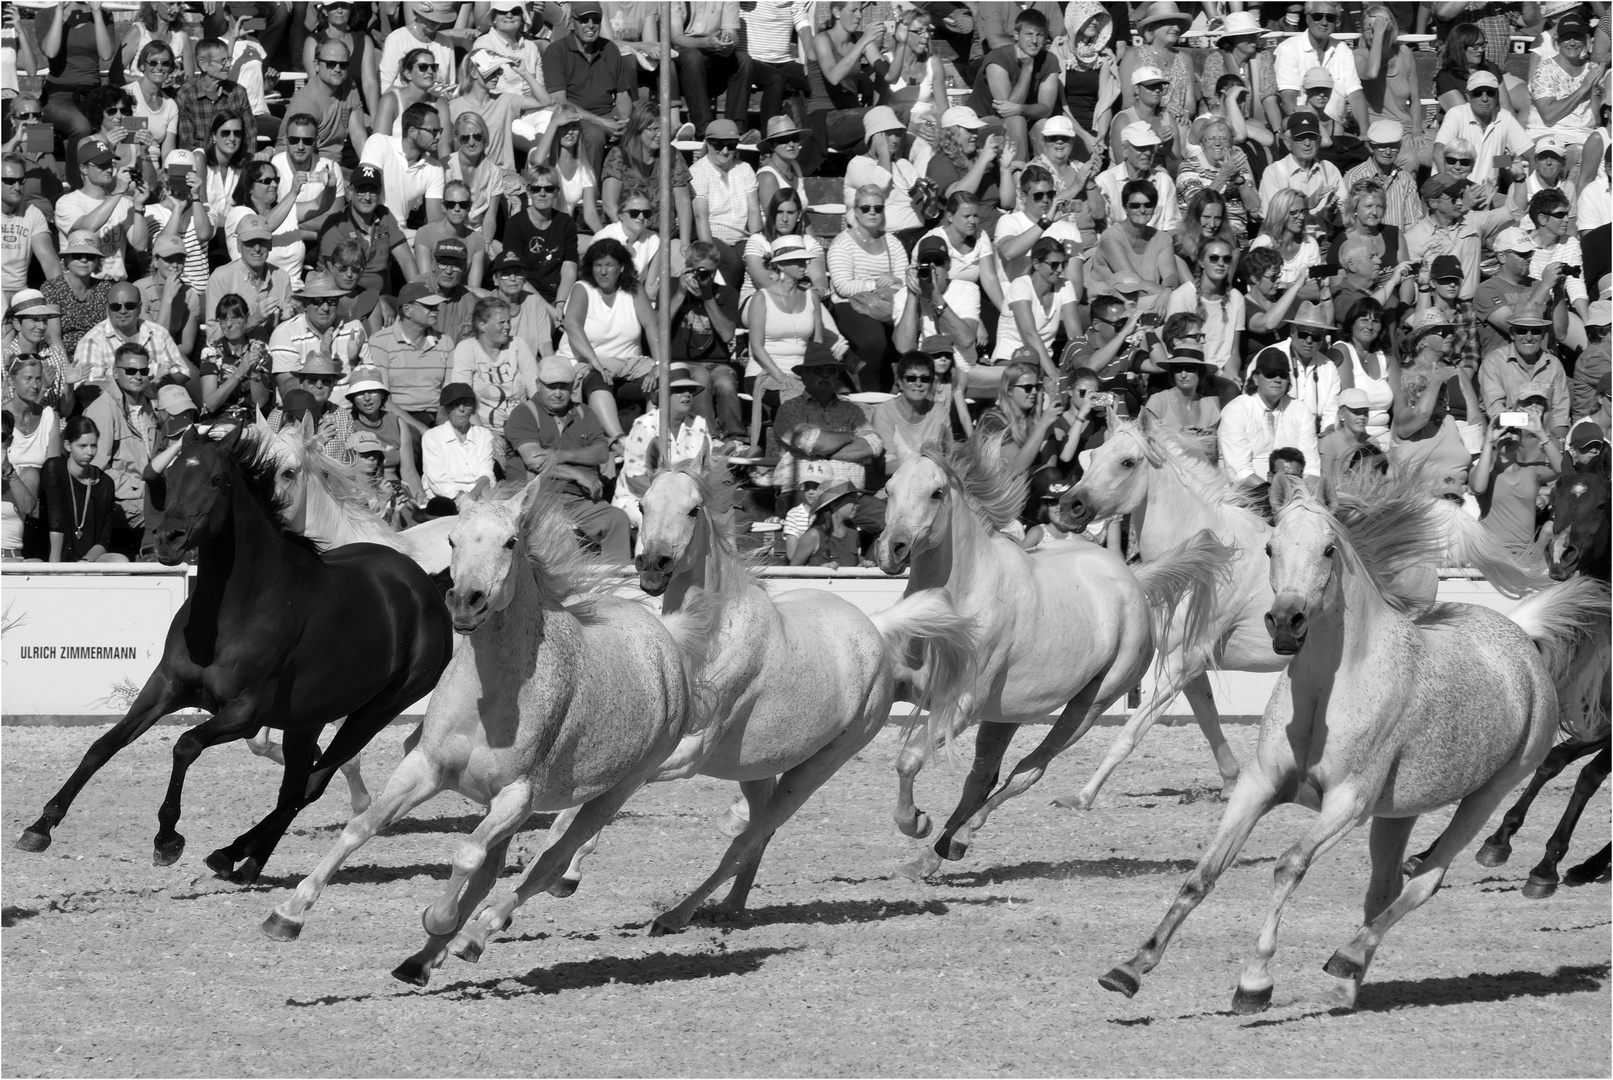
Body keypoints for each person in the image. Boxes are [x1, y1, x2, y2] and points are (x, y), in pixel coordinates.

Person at [503, 356, 633, 563]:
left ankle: (615, 582)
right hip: (536, 500)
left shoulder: (584, 412)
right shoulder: (524, 413)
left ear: (573, 386)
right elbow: (535, 461)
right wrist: (578, 473)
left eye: (563, 387)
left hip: (579, 499)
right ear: (538, 385)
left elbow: (600, 452)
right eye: (551, 386)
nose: (557, 393)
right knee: (557, 530)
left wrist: (560, 455)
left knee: (617, 519)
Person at [556, 236, 661, 441]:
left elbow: (652, 325)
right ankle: (619, 440)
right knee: (597, 379)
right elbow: (572, 325)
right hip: (586, 362)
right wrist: (595, 361)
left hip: (629, 364)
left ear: (621, 267)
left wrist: (658, 365)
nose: (603, 272)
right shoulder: (582, 288)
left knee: (661, 381)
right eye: (598, 265)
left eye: (609, 265)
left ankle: (649, 439)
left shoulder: (634, 290)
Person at [767, 346, 885, 521]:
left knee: (888, 521)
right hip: (804, 493)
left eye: (830, 371)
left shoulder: (852, 410)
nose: (825, 375)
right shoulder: (789, 410)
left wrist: (824, 449)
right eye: (817, 371)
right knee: (819, 522)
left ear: (837, 376)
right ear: (804, 376)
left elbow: (873, 445)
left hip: (850, 495)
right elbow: (812, 441)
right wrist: (851, 437)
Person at [829, 184, 911, 392]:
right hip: (851, 305)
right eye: (865, 208)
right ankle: (870, 393)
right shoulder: (842, 243)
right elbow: (843, 285)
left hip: (886, 304)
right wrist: (876, 283)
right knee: (873, 338)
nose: (872, 212)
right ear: (855, 211)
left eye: (878, 208)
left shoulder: (893, 243)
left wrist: (893, 281)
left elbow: (903, 280)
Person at [613, 363, 713, 527]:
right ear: (663, 396)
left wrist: (682, 499)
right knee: (653, 521)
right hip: (638, 497)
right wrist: (671, 496)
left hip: (686, 501)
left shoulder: (699, 424)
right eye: (679, 390)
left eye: (689, 390)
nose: (686, 394)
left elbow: (706, 472)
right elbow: (634, 479)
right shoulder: (644, 425)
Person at [544, 0, 634, 179]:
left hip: (609, 114)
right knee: (594, 135)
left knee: (642, 130)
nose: (591, 25)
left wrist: (624, 123)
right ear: (571, 22)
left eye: (596, 19)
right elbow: (559, 100)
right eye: (584, 20)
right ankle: (592, 195)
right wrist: (602, 123)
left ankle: (634, 190)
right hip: (575, 117)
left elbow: (623, 94)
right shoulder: (556, 51)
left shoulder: (610, 49)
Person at [82, 347, 159, 556]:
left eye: (143, 371)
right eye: (131, 371)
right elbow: (94, 470)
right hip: (119, 502)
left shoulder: (147, 407)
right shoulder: (103, 411)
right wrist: (144, 489)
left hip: (145, 495)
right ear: (116, 372)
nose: (138, 376)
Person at [748, 234, 839, 409]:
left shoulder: (811, 296)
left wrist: (812, 374)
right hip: (766, 372)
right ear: (780, 264)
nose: (803, 265)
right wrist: (781, 376)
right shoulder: (762, 298)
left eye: (804, 261)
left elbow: (817, 343)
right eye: (797, 261)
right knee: (800, 401)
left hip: (801, 372)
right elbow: (756, 346)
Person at [666, 241, 743, 441]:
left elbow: (727, 335)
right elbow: (659, 328)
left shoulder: (726, 293)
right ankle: (708, 437)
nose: (704, 276)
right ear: (687, 267)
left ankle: (735, 438)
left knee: (725, 384)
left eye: (710, 272)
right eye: (699, 271)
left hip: (718, 362)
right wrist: (681, 294)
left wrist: (708, 298)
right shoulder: (672, 286)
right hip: (683, 361)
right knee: (700, 378)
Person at [968, 7, 1062, 164]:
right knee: (1017, 121)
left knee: (1045, 125)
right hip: (982, 124)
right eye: (1029, 34)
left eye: (1039, 35)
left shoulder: (1049, 60)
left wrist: (1020, 109)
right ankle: (1018, 177)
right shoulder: (998, 58)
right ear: (1016, 35)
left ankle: (1050, 177)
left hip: (1023, 119)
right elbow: (1007, 111)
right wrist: (1027, 68)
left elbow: (1046, 108)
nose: (1034, 41)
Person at [1471, 403, 1563, 564]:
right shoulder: (1484, 472)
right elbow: (1478, 487)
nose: (1508, 436)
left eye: (1513, 432)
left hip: (1524, 556)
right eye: (1503, 432)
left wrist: (1541, 433)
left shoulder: (1531, 472)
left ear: (1520, 438)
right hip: (1492, 555)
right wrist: (1488, 442)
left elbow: (1562, 468)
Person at [55, 135, 149, 285]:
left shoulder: (124, 202)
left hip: (115, 285)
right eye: (101, 165)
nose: (109, 169)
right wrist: (118, 191)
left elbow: (140, 245)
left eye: (109, 163)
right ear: (83, 168)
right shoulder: (67, 202)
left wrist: (138, 207)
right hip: (83, 285)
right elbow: (86, 228)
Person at [361, 279, 454, 430]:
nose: (436, 310)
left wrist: (441, 428)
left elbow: (449, 392)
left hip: (436, 416)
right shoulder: (381, 342)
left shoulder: (445, 342)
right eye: (429, 306)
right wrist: (419, 428)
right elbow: (383, 398)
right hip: (397, 415)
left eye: (436, 306)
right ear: (407, 309)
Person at [1218, 349, 1319, 485]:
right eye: (1270, 374)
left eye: (1283, 375)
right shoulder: (1236, 410)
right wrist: (1273, 494)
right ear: (1256, 378)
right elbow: (1239, 472)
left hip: (1294, 495)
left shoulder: (1301, 411)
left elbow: (1311, 468)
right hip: (1243, 496)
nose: (1277, 380)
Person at [977, 356, 1087, 477]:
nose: (1034, 392)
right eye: (1028, 388)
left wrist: (1044, 425)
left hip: (1026, 482)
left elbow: (1050, 465)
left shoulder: (1037, 418)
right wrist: (1042, 426)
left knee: (1052, 476)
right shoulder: (993, 421)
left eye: (1037, 387)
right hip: (999, 486)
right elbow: (1016, 468)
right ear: (1009, 391)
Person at [994, 236, 1081, 384]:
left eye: (1063, 264)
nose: (1059, 270)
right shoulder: (1020, 285)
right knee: (1050, 385)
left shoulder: (1065, 286)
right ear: (1036, 264)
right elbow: (1030, 333)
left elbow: (1075, 334)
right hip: (1011, 359)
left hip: (1041, 364)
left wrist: (1083, 367)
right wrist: (1052, 372)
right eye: (1054, 265)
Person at [601, 100, 692, 241]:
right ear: (639, 129)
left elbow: (683, 203)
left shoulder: (673, 155)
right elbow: (609, 204)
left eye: (663, 129)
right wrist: (627, 237)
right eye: (654, 129)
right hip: (625, 236)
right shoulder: (619, 155)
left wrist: (684, 244)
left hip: (664, 239)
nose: (660, 134)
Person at [451, 295, 538, 440]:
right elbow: (463, 397)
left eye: (509, 321)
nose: (507, 327)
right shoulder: (467, 349)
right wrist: (485, 434)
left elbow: (535, 390)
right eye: (501, 322)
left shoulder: (517, 345)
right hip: (480, 428)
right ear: (481, 324)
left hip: (521, 428)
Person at [1272, 0, 1367, 133]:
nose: (1324, 22)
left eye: (1330, 17)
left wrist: (1365, 134)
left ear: (1336, 22)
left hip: (1337, 129)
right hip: (1303, 131)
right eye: (1318, 16)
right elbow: (1289, 101)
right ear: (1307, 17)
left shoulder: (1342, 49)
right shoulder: (1288, 49)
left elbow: (1355, 94)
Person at [268, 271, 365, 399]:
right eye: (318, 301)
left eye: (331, 301)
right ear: (305, 304)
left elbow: (368, 383)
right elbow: (287, 390)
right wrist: (322, 360)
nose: (325, 307)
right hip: (305, 414)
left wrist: (353, 362)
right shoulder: (285, 333)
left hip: (347, 413)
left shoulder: (353, 328)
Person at [1480, 306, 1571, 441]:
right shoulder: (1494, 362)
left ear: (1543, 334)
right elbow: (1496, 412)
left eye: (1535, 331)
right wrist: (1532, 423)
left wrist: (1558, 445)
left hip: (1546, 443)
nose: (1529, 337)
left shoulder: (1554, 365)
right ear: (1512, 333)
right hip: (1507, 439)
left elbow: (1560, 416)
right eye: (1522, 331)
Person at [74, 281, 190, 386]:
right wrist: (143, 387)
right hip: (114, 407)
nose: (123, 311)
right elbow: (87, 388)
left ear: (140, 307)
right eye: (116, 306)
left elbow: (182, 372)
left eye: (130, 306)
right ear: (107, 309)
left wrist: (158, 385)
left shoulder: (159, 333)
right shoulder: (92, 341)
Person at [40, 414, 122, 563]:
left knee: (120, 561)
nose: (89, 452)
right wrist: (54, 573)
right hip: (54, 559)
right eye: (82, 446)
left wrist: (84, 565)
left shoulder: (105, 482)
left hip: (87, 562)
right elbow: (55, 524)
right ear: (67, 445)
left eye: (94, 445)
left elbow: (104, 539)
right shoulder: (55, 468)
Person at [690, 118, 760, 291]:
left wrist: (758, 241)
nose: (726, 150)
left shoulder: (744, 169)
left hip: (741, 237)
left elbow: (753, 210)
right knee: (734, 264)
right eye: (719, 145)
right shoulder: (698, 172)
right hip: (712, 236)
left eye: (731, 145)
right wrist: (708, 253)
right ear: (708, 143)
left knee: (758, 259)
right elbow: (701, 217)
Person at [668, 0, 749, 143]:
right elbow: (676, 38)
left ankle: (736, 129)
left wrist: (728, 42)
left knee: (743, 60)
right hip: (684, 50)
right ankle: (704, 130)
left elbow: (732, 32)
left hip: (714, 49)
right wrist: (706, 42)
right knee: (693, 57)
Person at [345, 364, 423, 511]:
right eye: (360, 393)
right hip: (364, 492)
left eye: (373, 392)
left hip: (396, 488)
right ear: (352, 398)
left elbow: (409, 471)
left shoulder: (397, 421)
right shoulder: (348, 423)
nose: (367, 398)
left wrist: (419, 496)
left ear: (382, 394)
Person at [279, 36, 367, 164]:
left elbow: (357, 133)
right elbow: (300, 152)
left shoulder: (349, 85)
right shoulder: (306, 103)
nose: (337, 69)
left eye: (343, 65)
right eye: (331, 64)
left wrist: (368, 167)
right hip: (307, 166)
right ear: (316, 65)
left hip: (335, 165)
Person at [359, 100, 445, 228]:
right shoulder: (379, 143)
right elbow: (365, 190)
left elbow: (435, 220)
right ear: (412, 132)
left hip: (400, 232)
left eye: (440, 131)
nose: (439, 137)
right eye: (434, 131)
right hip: (367, 224)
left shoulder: (435, 168)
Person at [205, 212, 294, 337]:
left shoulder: (282, 277)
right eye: (250, 242)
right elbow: (213, 336)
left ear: (270, 244)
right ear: (238, 245)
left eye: (262, 241)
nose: (257, 248)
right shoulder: (220, 278)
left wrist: (285, 321)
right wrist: (252, 321)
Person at [38, 2, 116, 141]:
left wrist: (96, 12)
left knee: (117, 125)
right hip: (58, 95)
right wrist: (60, 11)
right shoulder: (46, 15)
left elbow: (106, 54)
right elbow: (50, 51)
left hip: (92, 94)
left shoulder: (104, 15)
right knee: (81, 127)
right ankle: (77, 163)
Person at [1527, 11, 1603, 152]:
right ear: (1557, 40)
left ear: (1585, 40)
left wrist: (1593, 93)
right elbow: (1549, 116)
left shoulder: (1591, 69)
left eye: (1577, 37)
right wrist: (1582, 89)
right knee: (1579, 155)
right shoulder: (1545, 70)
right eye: (1567, 38)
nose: (1572, 43)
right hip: (1549, 136)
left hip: (1584, 136)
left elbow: (1596, 120)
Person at [420, 381, 495, 516]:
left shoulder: (484, 435)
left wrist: (471, 499)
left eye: (467, 403)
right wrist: (463, 500)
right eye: (455, 404)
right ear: (447, 408)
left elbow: (486, 474)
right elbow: (438, 480)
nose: (461, 409)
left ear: (473, 408)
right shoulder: (431, 437)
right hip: (444, 503)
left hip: (478, 499)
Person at [1328, 296, 1395, 448]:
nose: (1370, 326)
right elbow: (1349, 402)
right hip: (1354, 436)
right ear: (1352, 323)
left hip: (1386, 434)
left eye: (1375, 321)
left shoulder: (1385, 357)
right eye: (1364, 320)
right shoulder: (1342, 350)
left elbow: (1400, 408)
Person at [198, 292, 272, 425]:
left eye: (235, 318)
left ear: (246, 318)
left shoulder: (260, 349)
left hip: (250, 423)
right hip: (217, 422)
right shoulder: (211, 351)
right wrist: (239, 373)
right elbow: (210, 404)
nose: (229, 325)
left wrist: (253, 373)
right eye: (223, 319)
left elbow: (260, 402)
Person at [872, 351, 952, 473]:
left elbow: (948, 457)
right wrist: (925, 470)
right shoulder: (884, 412)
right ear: (900, 382)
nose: (918, 384)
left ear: (931, 383)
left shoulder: (940, 413)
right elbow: (886, 466)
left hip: (932, 485)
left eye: (925, 379)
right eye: (911, 378)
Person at [927, 105, 1015, 215]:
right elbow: (958, 197)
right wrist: (983, 160)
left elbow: (1008, 204)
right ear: (951, 133)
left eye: (976, 130)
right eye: (969, 130)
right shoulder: (940, 161)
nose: (975, 135)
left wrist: (1005, 169)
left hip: (995, 226)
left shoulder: (983, 159)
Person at [532, 104, 605, 238]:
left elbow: (590, 214)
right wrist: (554, 123)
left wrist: (604, 238)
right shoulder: (545, 161)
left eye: (574, 126)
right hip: (539, 233)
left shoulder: (585, 169)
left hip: (565, 234)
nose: (570, 131)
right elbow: (537, 161)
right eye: (564, 127)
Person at [1, 152, 61, 308]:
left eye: (21, 181)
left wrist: (60, 305)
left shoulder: (32, 213)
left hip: (21, 295)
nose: (17, 187)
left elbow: (50, 263)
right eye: (9, 181)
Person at [1096, 121, 1178, 232]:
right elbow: (1104, 230)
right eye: (1141, 147)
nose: (1148, 153)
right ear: (1125, 150)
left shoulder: (1164, 181)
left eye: (1151, 147)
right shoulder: (1105, 182)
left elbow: (1171, 228)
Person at [175, 36, 253, 152]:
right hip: (200, 163)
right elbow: (187, 144)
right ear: (204, 64)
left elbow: (250, 137)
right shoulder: (186, 95)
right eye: (223, 61)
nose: (228, 65)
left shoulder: (238, 92)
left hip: (234, 162)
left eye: (229, 60)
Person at [303, 1, 380, 118]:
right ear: (325, 10)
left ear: (350, 10)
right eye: (334, 7)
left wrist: (375, 120)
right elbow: (316, 87)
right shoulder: (313, 41)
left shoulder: (363, 40)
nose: (339, 11)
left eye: (344, 6)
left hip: (360, 111)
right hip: (326, 113)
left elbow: (370, 84)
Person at [4, 291, 75, 414]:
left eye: (44, 320)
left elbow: (66, 412)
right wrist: (43, 388)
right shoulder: (4, 360)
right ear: (17, 324)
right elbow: (16, 418)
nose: (42, 326)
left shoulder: (56, 353)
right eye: (35, 320)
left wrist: (69, 385)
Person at [5, 356, 60, 515]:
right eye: (28, 379)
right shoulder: (3, 418)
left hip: (40, 501)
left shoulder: (49, 417)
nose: (35, 385)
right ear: (11, 381)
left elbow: (53, 468)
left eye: (38, 379)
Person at [789, 478, 865, 568]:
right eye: (852, 500)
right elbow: (792, 572)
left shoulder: (853, 533)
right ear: (835, 504)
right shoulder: (814, 535)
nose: (857, 504)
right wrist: (819, 571)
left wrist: (862, 565)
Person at [2, 411, 39, 560]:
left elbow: (28, 507)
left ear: (9, 440)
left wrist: (9, 471)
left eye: (1, 437)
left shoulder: (25, 474)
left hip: (9, 557)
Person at [1318, 387, 1376, 476]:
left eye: (1365, 412)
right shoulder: (1330, 442)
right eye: (1356, 412)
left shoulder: (1372, 442)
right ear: (1341, 415)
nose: (1362, 417)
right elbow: (1326, 481)